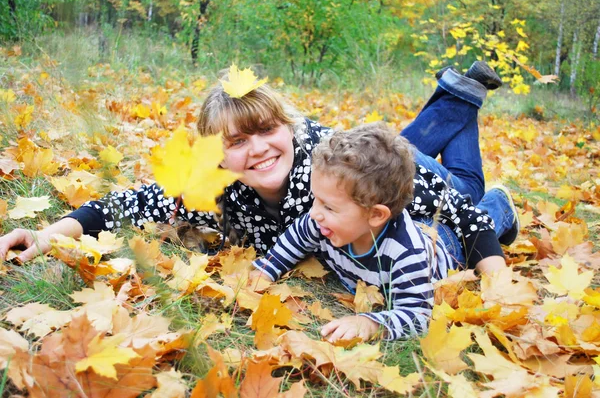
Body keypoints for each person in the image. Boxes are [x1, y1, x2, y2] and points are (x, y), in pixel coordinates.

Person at [0, 62, 516, 273]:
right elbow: (123, 205)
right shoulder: (214, 185)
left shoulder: (331, 161)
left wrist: (492, 273)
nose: (261, 149)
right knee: (412, 151)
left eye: (269, 131)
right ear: (218, 155)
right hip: (380, 155)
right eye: (238, 141)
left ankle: (502, 202)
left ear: (290, 128)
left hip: (379, 168)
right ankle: (458, 93)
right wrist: (45, 235)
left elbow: (457, 215)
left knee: (468, 192)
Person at [251, 125, 513, 342]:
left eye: (328, 206)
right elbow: (297, 236)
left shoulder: (407, 256)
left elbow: (417, 314)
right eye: (316, 200)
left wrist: (370, 323)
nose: (315, 212)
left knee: (473, 232)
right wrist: (267, 268)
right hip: (397, 225)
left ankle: (499, 202)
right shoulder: (323, 222)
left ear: (375, 214)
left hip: (442, 245)